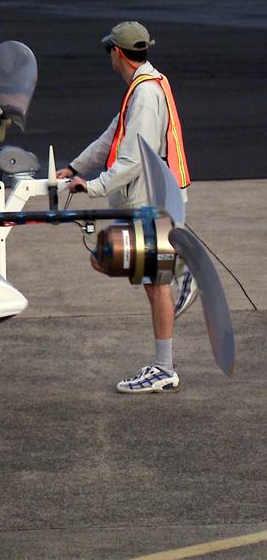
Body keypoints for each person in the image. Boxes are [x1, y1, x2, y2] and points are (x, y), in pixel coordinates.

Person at [56, 21, 196, 394]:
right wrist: (75, 167)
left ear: (118, 53)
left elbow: (134, 158)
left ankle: (164, 367)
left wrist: (95, 186)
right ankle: (179, 270)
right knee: (113, 262)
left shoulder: (146, 96)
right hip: (150, 200)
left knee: (150, 281)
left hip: (151, 202)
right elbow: (110, 138)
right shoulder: (142, 88)